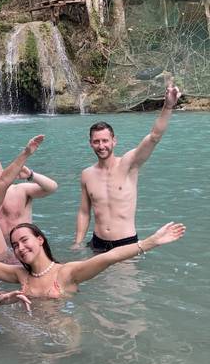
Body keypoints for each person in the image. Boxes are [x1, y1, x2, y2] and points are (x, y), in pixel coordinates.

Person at [0, 221, 185, 299]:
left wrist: (151, 242)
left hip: (65, 340)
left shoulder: (67, 273)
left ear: (40, 240)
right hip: (31, 341)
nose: (20, 248)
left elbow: (109, 257)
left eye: (24, 240)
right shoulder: (19, 275)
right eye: (15, 245)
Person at [73, 83, 180, 251]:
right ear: (90, 144)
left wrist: (167, 106)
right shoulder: (87, 174)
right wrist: (78, 242)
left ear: (114, 141)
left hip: (125, 243)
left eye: (105, 141)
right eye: (96, 141)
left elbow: (154, 137)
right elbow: (84, 212)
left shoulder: (129, 164)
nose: (101, 146)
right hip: (97, 243)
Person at [0, 145, 58, 240]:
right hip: (0, 246)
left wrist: (31, 175)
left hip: (24, 243)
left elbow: (52, 188)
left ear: (3, 172)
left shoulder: (21, 190)